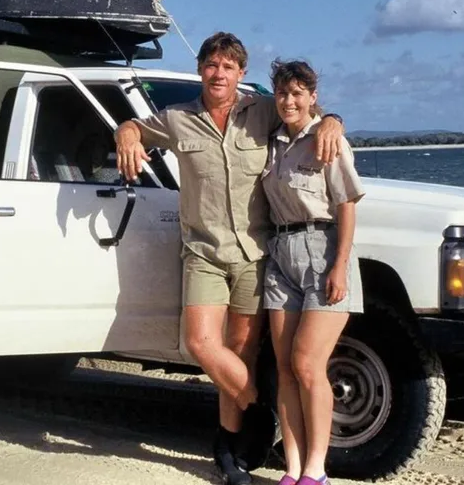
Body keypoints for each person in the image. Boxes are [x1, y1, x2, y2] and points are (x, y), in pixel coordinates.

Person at [114, 33, 345, 485]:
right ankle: (257, 408)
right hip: (202, 251)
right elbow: (139, 129)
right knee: (201, 344)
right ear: (201, 68)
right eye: (211, 65)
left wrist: (333, 119)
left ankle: (231, 449)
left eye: (227, 66)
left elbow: (305, 114)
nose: (218, 74)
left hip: (256, 254)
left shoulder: (261, 110)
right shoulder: (178, 118)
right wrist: (126, 130)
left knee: (240, 349)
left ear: (241, 73)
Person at [260, 59, 365, 485]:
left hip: (323, 253)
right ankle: (292, 469)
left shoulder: (327, 140)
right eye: (283, 93)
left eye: (298, 93)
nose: (289, 101)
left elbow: (346, 206)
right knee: (285, 368)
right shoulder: (271, 142)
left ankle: (316, 470)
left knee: (307, 363)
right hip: (280, 252)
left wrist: (339, 266)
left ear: (313, 97)